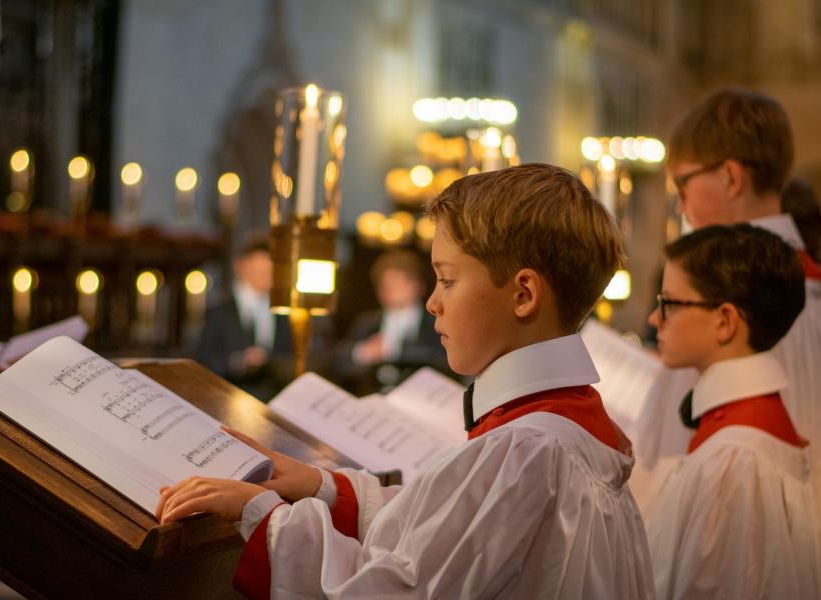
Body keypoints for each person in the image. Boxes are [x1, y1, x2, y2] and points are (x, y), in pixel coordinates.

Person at [157, 164, 655, 599]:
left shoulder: (526, 451)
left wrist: (263, 516)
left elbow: (395, 591)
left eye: (447, 279)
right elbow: (445, 534)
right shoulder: (562, 428)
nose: (432, 303)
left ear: (523, 294)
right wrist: (322, 487)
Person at [633, 89, 821, 598]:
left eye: (682, 182)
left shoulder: (718, 307)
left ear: (730, 175)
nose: (680, 203)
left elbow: (668, 478)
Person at [645, 224, 821, 599]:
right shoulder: (742, 430)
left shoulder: (733, 460)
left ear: (725, 321)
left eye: (669, 304)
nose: (654, 319)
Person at [333, 249, 448, 395]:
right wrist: (363, 352)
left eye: (397, 284)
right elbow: (338, 361)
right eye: (385, 286)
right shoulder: (368, 323)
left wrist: (394, 350)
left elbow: (443, 361)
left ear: (417, 286)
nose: (390, 291)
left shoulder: (434, 323)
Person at [196, 237, 293, 400]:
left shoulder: (283, 314)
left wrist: (268, 361)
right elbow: (203, 360)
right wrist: (237, 362)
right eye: (259, 270)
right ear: (241, 266)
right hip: (228, 398)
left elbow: (290, 357)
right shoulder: (220, 312)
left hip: (271, 400)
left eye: (269, 272)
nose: (264, 277)